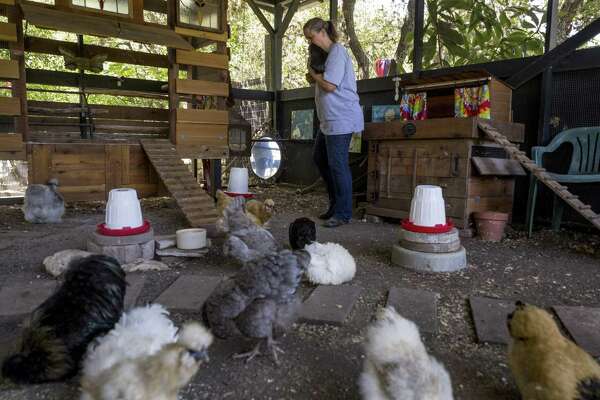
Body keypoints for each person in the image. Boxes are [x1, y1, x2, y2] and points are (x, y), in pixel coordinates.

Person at [304, 17, 364, 228]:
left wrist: (314, 75)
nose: (311, 42)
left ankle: (343, 213)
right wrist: (315, 78)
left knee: (338, 165)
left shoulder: (338, 52)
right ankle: (335, 205)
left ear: (322, 32)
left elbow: (329, 85)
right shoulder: (329, 56)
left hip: (342, 118)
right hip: (329, 120)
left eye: (311, 37)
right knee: (320, 158)